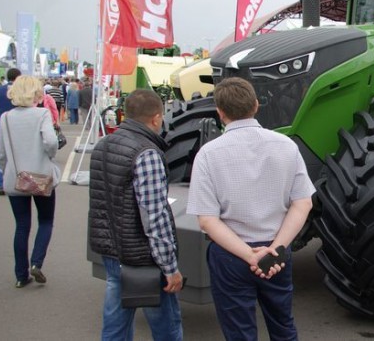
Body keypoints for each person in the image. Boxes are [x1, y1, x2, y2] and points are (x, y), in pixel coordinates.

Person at [186, 77, 315, 340]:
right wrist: (276, 249)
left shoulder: (209, 154)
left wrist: (249, 255)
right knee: (283, 326)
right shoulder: (286, 146)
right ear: (256, 105)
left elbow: (207, 221)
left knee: (240, 333)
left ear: (220, 112)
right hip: (276, 251)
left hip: (230, 255)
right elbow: (303, 203)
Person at [88, 89, 183, 340]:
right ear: (156, 118)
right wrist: (170, 266)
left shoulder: (103, 145)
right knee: (167, 328)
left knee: (115, 326)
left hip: (112, 250)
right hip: (144, 257)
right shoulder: (147, 153)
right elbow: (154, 215)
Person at [0, 75, 60, 288]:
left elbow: (1, 154)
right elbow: (51, 142)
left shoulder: (5, 118)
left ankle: (21, 275)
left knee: (22, 226)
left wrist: (9, 171)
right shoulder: (41, 114)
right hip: (41, 176)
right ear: (36, 93)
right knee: (46, 221)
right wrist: (49, 156)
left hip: (16, 178)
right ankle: (37, 262)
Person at [0, 68, 21, 195]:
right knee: (18, 154)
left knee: (1, 153)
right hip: (17, 125)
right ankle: (16, 181)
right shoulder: (20, 90)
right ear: (18, 77)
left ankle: (1, 184)